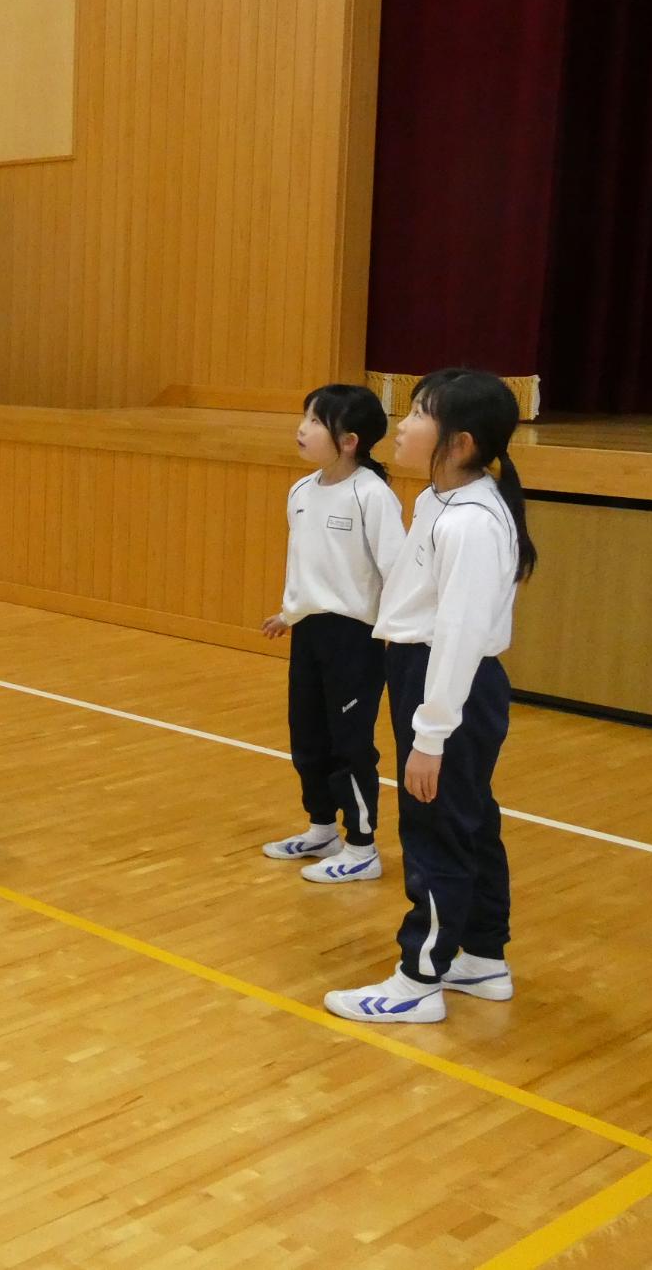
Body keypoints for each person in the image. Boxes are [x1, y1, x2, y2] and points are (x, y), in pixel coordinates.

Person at [325, 369, 538, 1024]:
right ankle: (480, 955)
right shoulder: (438, 503)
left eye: (420, 413)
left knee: (436, 827)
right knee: (466, 817)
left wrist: (430, 737)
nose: (407, 423)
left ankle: (420, 978)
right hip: (424, 672)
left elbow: (459, 639)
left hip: (449, 682)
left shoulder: (471, 523)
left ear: (461, 442)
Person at [260, 384, 403, 884]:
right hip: (311, 634)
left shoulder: (372, 495)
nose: (302, 428)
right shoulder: (300, 491)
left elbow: (395, 570)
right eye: (304, 417)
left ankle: (362, 846)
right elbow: (307, 564)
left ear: (349, 440)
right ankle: (323, 827)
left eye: (316, 422)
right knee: (308, 734)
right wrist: (290, 612)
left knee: (350, 742)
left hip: (356, 639)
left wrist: (395, 633)